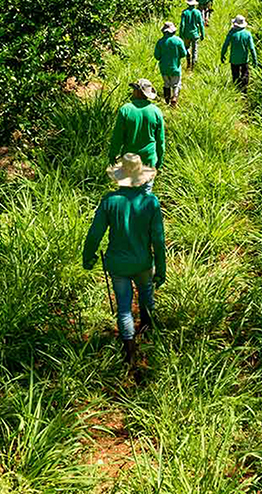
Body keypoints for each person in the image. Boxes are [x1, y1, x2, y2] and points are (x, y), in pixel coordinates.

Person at [83, 153, 166, 367]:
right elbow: (158, 239)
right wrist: (162, 269)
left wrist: (88, 257)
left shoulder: (109, 201)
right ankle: (149, 330)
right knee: (147, 295)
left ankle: (129, 353)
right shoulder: (150, 202)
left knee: (124, 308)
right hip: (143, 262)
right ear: (142, 178)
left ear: (119, 178)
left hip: (118, 265)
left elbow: (94, 234)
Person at [108, 78, 165, 192]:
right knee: (145, 195)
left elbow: (117, 137)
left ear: (138, 92)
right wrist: (159, 161)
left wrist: (113, 154)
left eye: (134, 89)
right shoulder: (156, 111)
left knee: (126, 193)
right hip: (149, 159)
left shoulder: (126, 110)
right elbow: (160, 141)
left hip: (129, 160)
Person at [221, 14, 258, 92]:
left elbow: (225, 45)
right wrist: (255, 60)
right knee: (245, 74)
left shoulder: (231, 33)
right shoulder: (247, 34)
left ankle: (236, 91)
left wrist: (222, 55)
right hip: (244, 59)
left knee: (235, 76)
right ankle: (244, 90)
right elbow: (252, 48)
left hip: (234, 59)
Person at [153, 22, 187, 107]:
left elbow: (157, 56)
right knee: (176, 84)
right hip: (175, 67)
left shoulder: (160, 42)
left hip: (164, 68)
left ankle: (167, 100)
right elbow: (184, 53)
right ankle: (174, 98)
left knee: (166, 84)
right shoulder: (178, 41)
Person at [179, 0, 205, 70]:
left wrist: (181, 34)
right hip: (195, 34)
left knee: (186, 48)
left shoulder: (184, 12)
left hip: (186, 34)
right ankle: (193, 66)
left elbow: (182, 25)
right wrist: (202, 34)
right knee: (195, 50)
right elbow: (201, 24)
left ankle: (188, 63)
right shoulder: (197, 12)